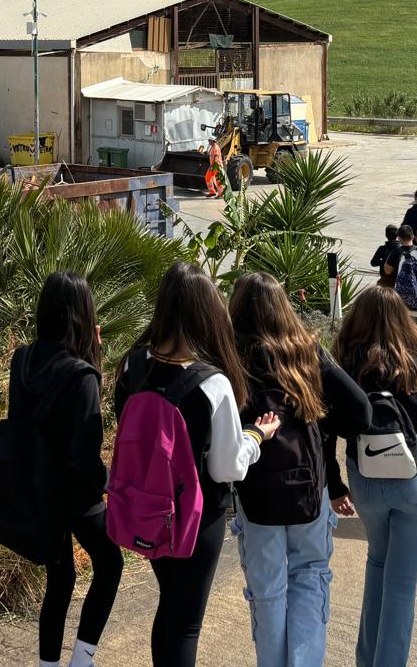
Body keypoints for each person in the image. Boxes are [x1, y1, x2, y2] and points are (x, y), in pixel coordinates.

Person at [115, 263, 280, 667]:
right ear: (208, 312)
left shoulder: (132, 365)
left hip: (145, 508)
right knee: (185, 622)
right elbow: (228, 467)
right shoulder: (213, 383)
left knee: (168, 608)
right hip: (195, 519)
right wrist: (257, 437)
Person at [229, 273, 372, 667]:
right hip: (310, 486)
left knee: (268, 591)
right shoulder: (307, 351)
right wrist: (322, 430)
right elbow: (360, 410)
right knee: (310, 576)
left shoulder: (232, 356)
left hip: (256, 490)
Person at [327, 287, 417, 667]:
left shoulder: (345, 366)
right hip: (414, 476)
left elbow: (325, 431)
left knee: (377, 565)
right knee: (402, 583)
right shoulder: (414, 364)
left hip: (365, 479)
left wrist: (335, 486)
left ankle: (367, 658)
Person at [16, 273, 124, 667]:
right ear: (83, 316)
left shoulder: (23, 359)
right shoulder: (83, 376)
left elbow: (19, 422)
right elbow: (86, 454)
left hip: (35, 488)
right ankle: (83, 658)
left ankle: (49, 664)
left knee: (59, 582)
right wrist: (111, 485)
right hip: (76, 498)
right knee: (110, 564)